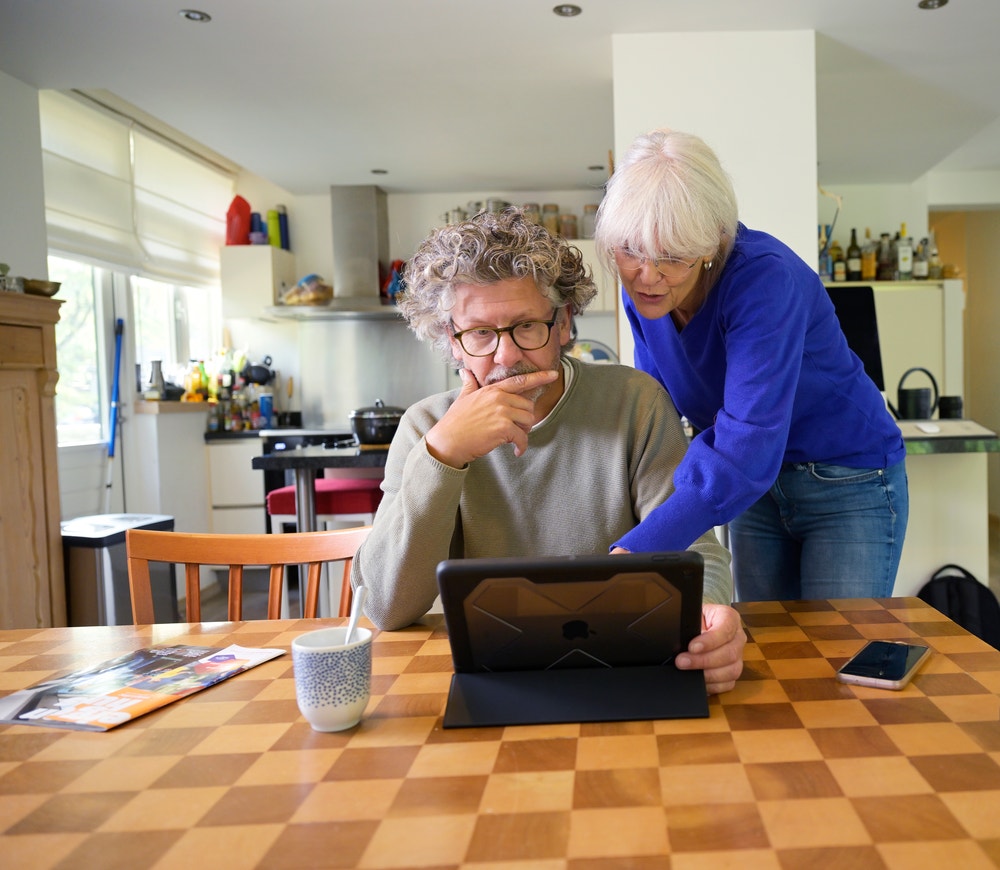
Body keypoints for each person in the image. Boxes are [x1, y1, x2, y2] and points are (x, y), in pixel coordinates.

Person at [352, 207, 745, 694]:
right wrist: (444, 456)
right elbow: (388, 607)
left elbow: (696, 554)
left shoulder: (634, 402)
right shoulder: (426, 428)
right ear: (450, 341)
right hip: (484, 679)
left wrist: (710, 617)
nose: (507, 355)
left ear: (563, 323)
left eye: (527, 326)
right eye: (479, 333)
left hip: (625, 667)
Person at [594, 127, 908, 602]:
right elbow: (653, 410)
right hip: (755, 488)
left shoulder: (764, 279)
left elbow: (748, 441)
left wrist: (639, 550)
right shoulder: (643, 289)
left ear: (711, 244)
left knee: (836, 652)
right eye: (631, 250)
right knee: (769, 648)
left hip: (847, 481)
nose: (648, 275)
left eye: (672, 257)